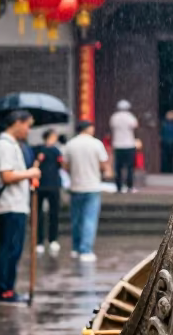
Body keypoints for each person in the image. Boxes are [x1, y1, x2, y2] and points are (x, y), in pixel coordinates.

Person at [0, 109, 40, 303]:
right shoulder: (4, 145)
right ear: (17, 123)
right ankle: (4, 291)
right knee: (9, 249)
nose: (28, 130)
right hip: (10, 205)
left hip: (17, 204)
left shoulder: (13, 145)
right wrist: (30, 173)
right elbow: (7, 175)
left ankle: (8, 288)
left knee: (14, 249)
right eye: (28, 125)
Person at [64, 119, 109, 261]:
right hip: (92, 186)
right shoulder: (96, 144)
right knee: (89, 219)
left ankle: (76, 248)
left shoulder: (70, 144)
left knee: (76, 219)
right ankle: (86, 250)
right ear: (88, 129)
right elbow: (103, 164)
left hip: (76, 186)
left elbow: (65, 166)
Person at [35, 128, 63, 255]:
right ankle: (39, 240)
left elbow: (60, 165)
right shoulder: (39, 150)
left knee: (54, 213)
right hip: (41, 185)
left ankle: (53, 239)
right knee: (38, 214)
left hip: (54, 185)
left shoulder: (57, 151)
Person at [110, 99, 139, 193]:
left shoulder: (114, 117)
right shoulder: (130, 117)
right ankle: (129, 187)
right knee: (130, 167)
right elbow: (135, 125)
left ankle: (118, 187)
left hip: (117, 145)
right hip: (129, 144)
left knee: (118, 167)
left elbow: (112, 126)